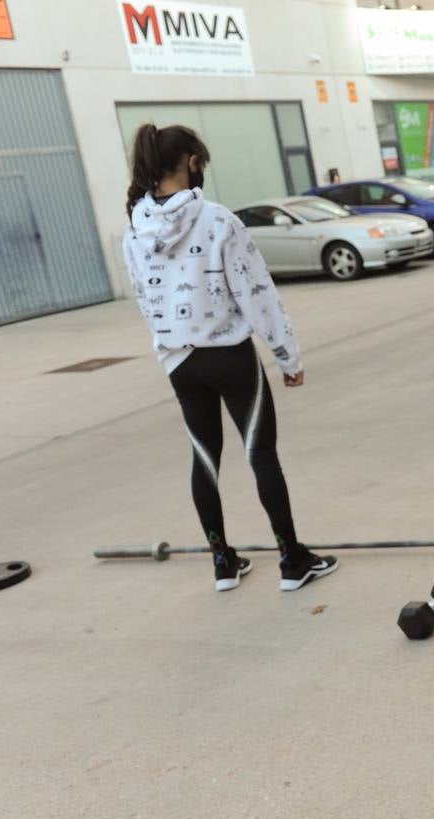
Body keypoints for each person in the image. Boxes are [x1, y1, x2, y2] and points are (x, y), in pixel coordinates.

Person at [121, 124, 338, 594]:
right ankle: (292, 560)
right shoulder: (218, 219)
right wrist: (286, 354)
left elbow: (143, 298)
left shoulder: (134, 228)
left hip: (180, 361)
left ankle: (223, 563)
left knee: (204, 458)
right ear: (192, 163)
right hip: (230, 356)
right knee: (260, 454)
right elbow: (255, 292)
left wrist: (169, 346)